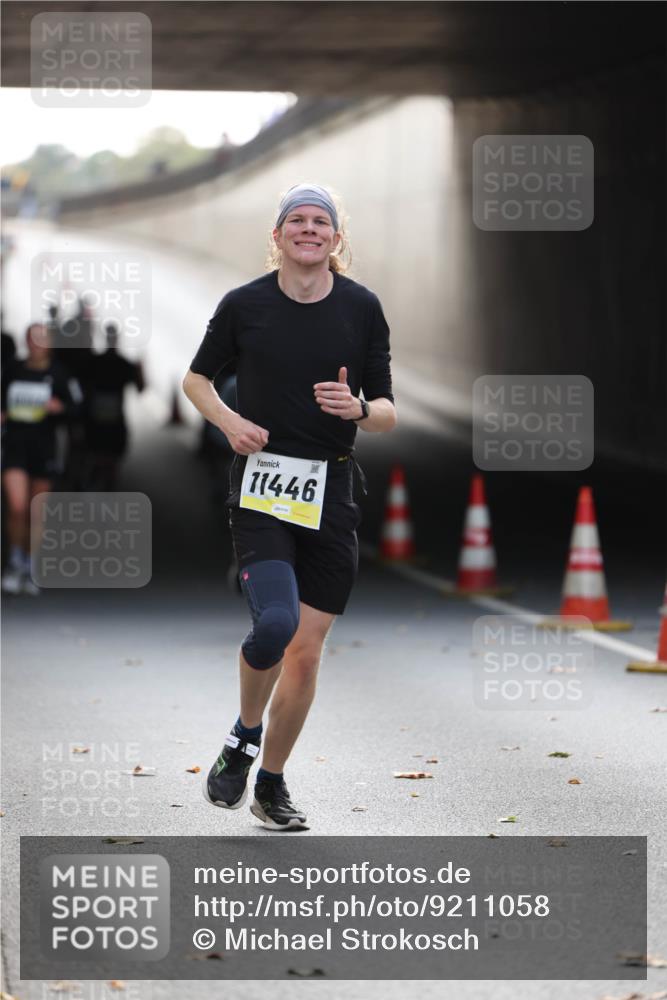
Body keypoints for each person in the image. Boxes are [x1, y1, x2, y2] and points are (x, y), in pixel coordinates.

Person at [183, 183, 397, 829]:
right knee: (274, 625)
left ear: (337, 238)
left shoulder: (361, 308)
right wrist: (227, 422)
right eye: (296, 221)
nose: (309, 229)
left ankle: (270, 786)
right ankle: (242, 740)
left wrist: (360, 409)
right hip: (262, 487)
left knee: (306, 650)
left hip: (331, 491)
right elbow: (195, 379)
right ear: (277, 236)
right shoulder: (244, 305)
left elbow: (386, 411)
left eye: (320, 221)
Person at [1, 323, 81, 595]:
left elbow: (78, 406)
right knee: (17, 506)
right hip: (14, 447)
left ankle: (31, 561)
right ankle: (15, 562)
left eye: (42, 338)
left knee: (37, 512)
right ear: (26, 341)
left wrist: (60, 408)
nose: (36, 343)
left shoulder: (59, 374)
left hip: (44, 448)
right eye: (32, 338)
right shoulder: (12, 370)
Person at [83, 322, 145, 489]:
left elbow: (83, 390)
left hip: (97, 419)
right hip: (112, 420)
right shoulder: (123, 364)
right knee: (109, 461)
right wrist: (140, 369)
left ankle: (95, 487)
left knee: (97, 458)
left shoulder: (94, 362)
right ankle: (105, 489)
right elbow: (141, 388)